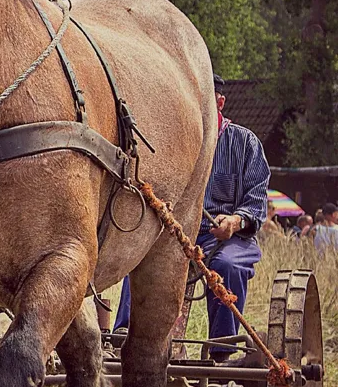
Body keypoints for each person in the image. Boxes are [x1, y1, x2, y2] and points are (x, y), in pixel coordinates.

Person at [114, 74, 269, 357]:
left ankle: (221, 350)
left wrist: (234, 221)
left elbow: (256, 203)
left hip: (227, 238)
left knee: (228, 266)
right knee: (141, 255)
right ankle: (124, 337)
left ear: (219, 103)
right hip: (177, 233)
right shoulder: (169, 144)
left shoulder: (245, 143)